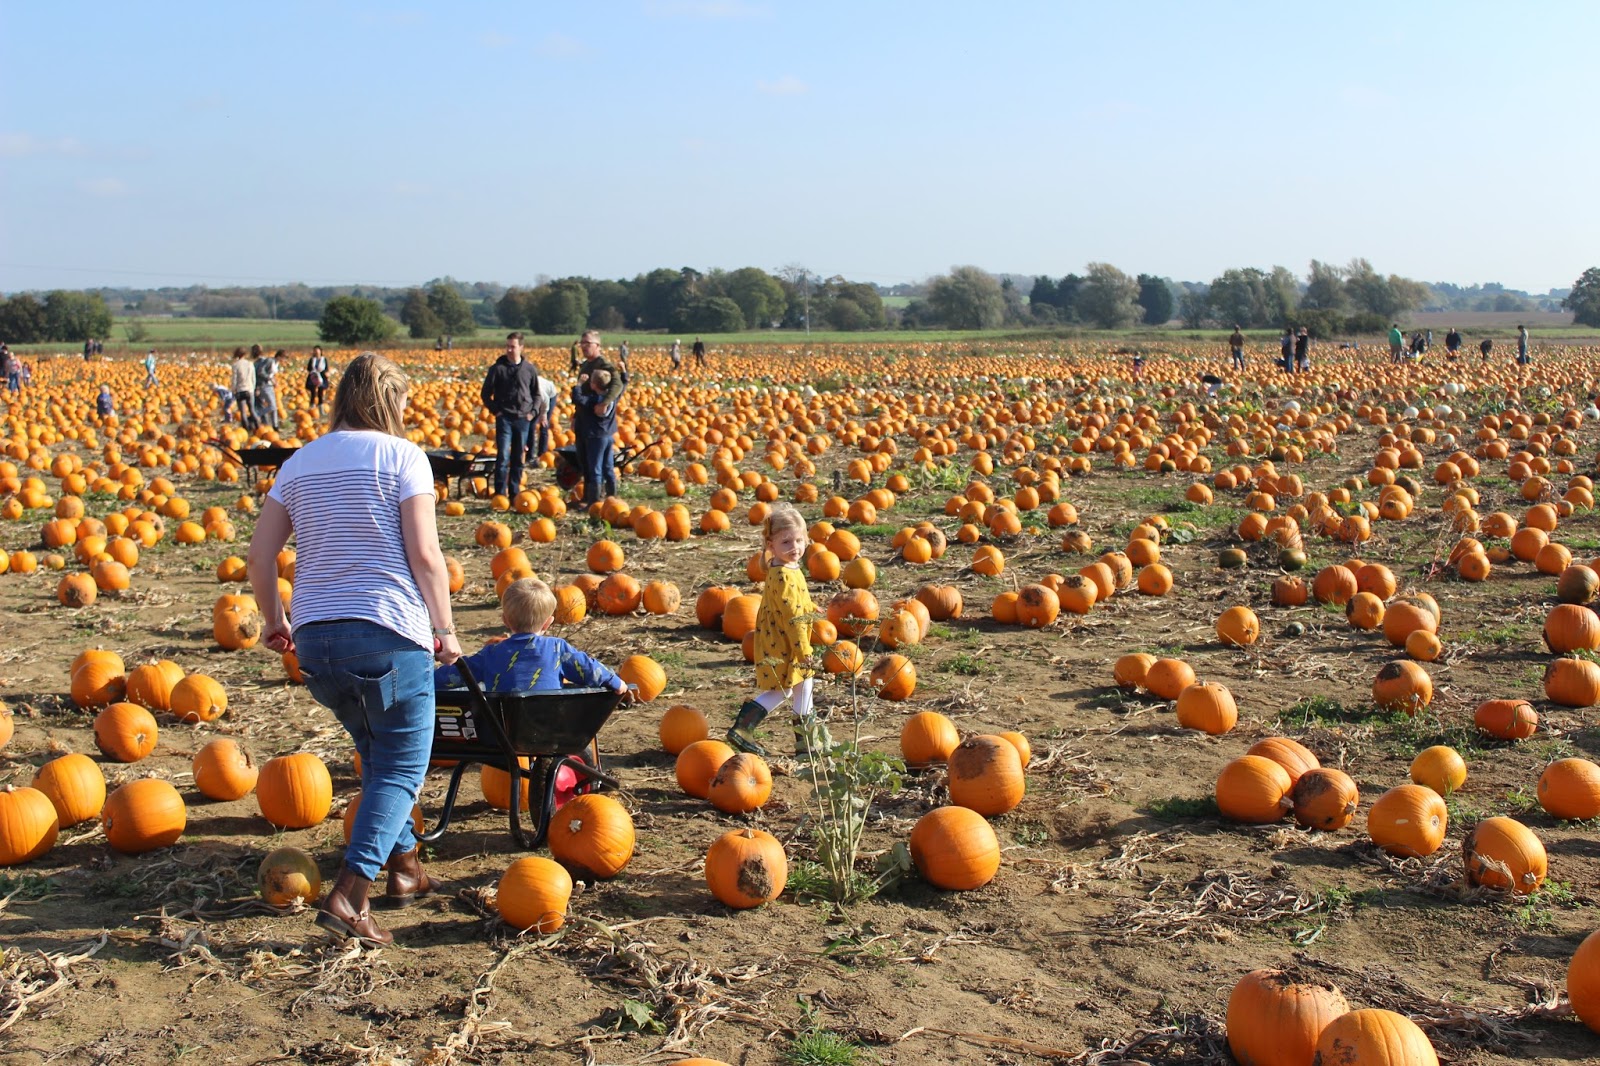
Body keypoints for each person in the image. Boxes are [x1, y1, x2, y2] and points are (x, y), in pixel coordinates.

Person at [246, 351, 460, 947]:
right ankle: (350, 895)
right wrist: (444, 630)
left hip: (316, 642)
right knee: (401, 767)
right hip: (389, 634)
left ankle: (406, 869)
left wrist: (275, 620)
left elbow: (260, 558)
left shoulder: (299, 463)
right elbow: (424, 556)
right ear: (390, 401)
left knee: (376, 752)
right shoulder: (402, 457)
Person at [435, 578, 630, 808]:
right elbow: (588, 669)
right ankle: (591, 777)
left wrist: (423, 679)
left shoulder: (490, 654)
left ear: (505, 620)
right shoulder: (557, 649)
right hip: (547, 734)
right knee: (580, 726)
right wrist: (616, 683)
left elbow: (454, 675)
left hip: (496, 738)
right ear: (548, 622)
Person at [729, 505, 820, 758]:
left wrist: (810, 605)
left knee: (790, 688)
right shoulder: (783, 574)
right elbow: (792, 616)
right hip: (787, 642)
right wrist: (804, 650)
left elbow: (790, 602)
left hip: (780, 639)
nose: (795, 547)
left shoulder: (785, 568)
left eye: (799, 540)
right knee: (794, 687)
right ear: (771, 544)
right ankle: (805, 745)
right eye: (787, 542)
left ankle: (746, 729)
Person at [481, 332, 543, 498]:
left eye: (513, 346)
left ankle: (515, 492)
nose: (509, 349)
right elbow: (485, 394)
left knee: (518, 457)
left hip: (523, 419)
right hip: (505, 418)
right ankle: (500, 493)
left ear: (521, 348)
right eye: (507, 346)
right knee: (502, 456)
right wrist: (497, 411)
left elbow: (537, 394)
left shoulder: (529, 369)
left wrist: (533, 413)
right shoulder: (497, 369)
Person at [573, 368, 618, 505]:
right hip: (608, 435)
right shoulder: (611, 398)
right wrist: (623, 375)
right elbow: (622, 387)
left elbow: (578, 399)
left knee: (595, 469)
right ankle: (612, 496)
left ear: (593, 385)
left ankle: (594, 502)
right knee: (608, 467)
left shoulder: (594, 401)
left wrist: (579, 385)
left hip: (595, 438)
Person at [230, 347, 258, 431]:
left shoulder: (235, 365)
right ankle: (258, 427)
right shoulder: (250, 364)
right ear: (245, 354)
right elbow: (253, 378)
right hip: (249, 389)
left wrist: (233, 390)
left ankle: (246, 430)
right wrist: (253, 388)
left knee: (243, 412)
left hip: (240, 390)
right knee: (252, 410)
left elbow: (234, 380)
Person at [253, 346, 280, 430]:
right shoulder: (261, 361)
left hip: (262, 386)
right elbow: (261, 375)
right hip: (263, 386)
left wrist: (257, 387)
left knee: (265, 405)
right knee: (266, 405)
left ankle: (264, 422)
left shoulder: (260, 362)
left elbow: (259, 376)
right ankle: (266, 424)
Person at [306, 346, 330, 412]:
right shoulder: (312, 359)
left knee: (320, 392)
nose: (316, 352)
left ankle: (321, 409)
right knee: (313, 392)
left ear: (320, 351)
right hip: (313, 377)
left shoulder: (324, 359)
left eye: (317, 350)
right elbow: (308, 368)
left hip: (322, 377)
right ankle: (312, 408)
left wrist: (325, 372)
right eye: (315, 350)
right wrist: (314, 371)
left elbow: (327, 368)